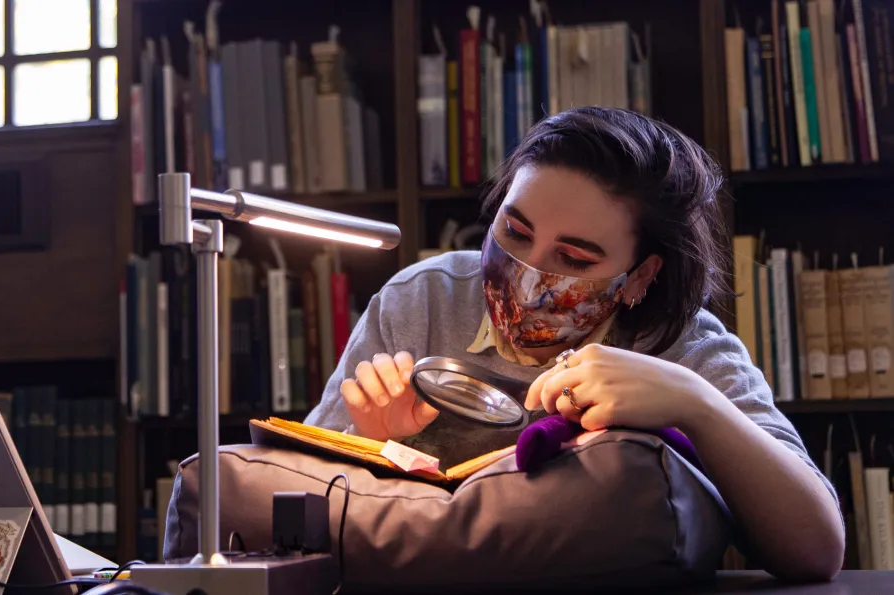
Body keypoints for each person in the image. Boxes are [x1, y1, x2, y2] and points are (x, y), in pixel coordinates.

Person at [304, 107, 845, 581]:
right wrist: (372, 445)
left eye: (575, 260)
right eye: (514, 232)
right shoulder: (420, 301)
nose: (529, 275)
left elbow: (817, 550)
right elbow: (296, 511)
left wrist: (696, 404)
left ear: (640, 275)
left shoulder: (688, 347)